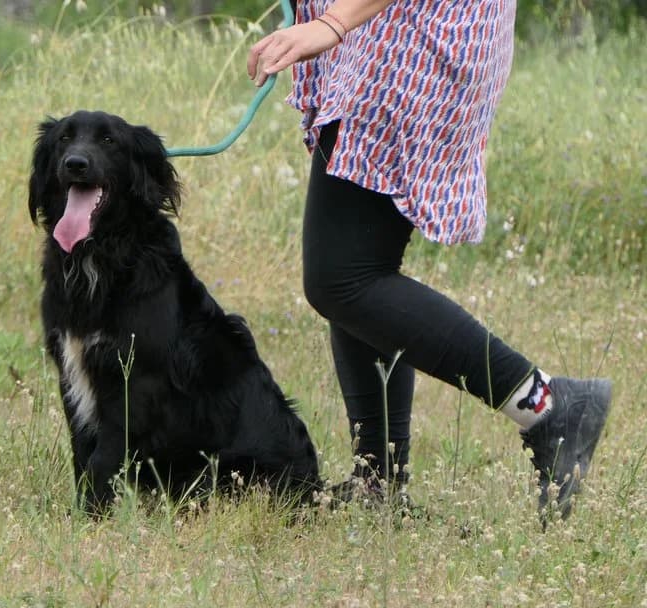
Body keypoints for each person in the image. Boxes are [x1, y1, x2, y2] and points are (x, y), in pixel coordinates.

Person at [245, 0, 612, 518]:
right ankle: (378, 481)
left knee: (341, 279)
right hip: (387, 36)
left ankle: (549, 405)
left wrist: (331, 23)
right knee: (355, 265)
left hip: (403, 43)